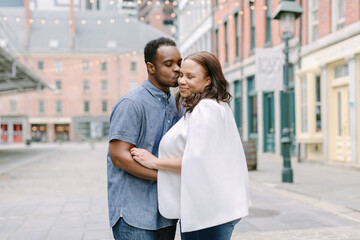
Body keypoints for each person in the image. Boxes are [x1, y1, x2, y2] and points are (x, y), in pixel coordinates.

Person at [131, 51, 251, 240]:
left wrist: (154, 162)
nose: (182, 81)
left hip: (208, 212)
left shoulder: (206, 108)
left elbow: (197, 160)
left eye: (190, 76)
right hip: (209, 209)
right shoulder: (215, 106)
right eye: (181, 75)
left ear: (208, 81)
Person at [107, 37, 183, 240]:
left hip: (166, 212)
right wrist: (165, 177)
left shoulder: (177, 105)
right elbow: (118, 157)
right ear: (151, 67)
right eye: (169, 64)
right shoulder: (131, 104)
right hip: (135, 214)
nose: (177, 69)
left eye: (179, 63)